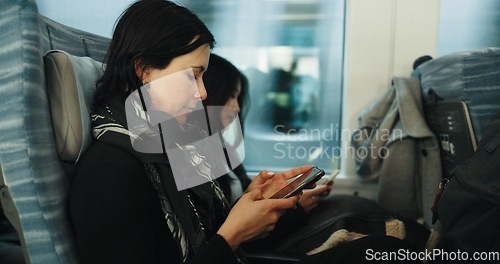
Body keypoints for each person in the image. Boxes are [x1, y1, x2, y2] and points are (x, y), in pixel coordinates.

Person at [69, 1, 420, 263]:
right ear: (145, 70)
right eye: (193, 75)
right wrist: (231, 234)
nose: (204, 93)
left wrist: (258, 203)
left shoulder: (175, 147)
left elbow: (220, 235)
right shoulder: (111, 171)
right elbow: (222, 240)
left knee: (380, 251)